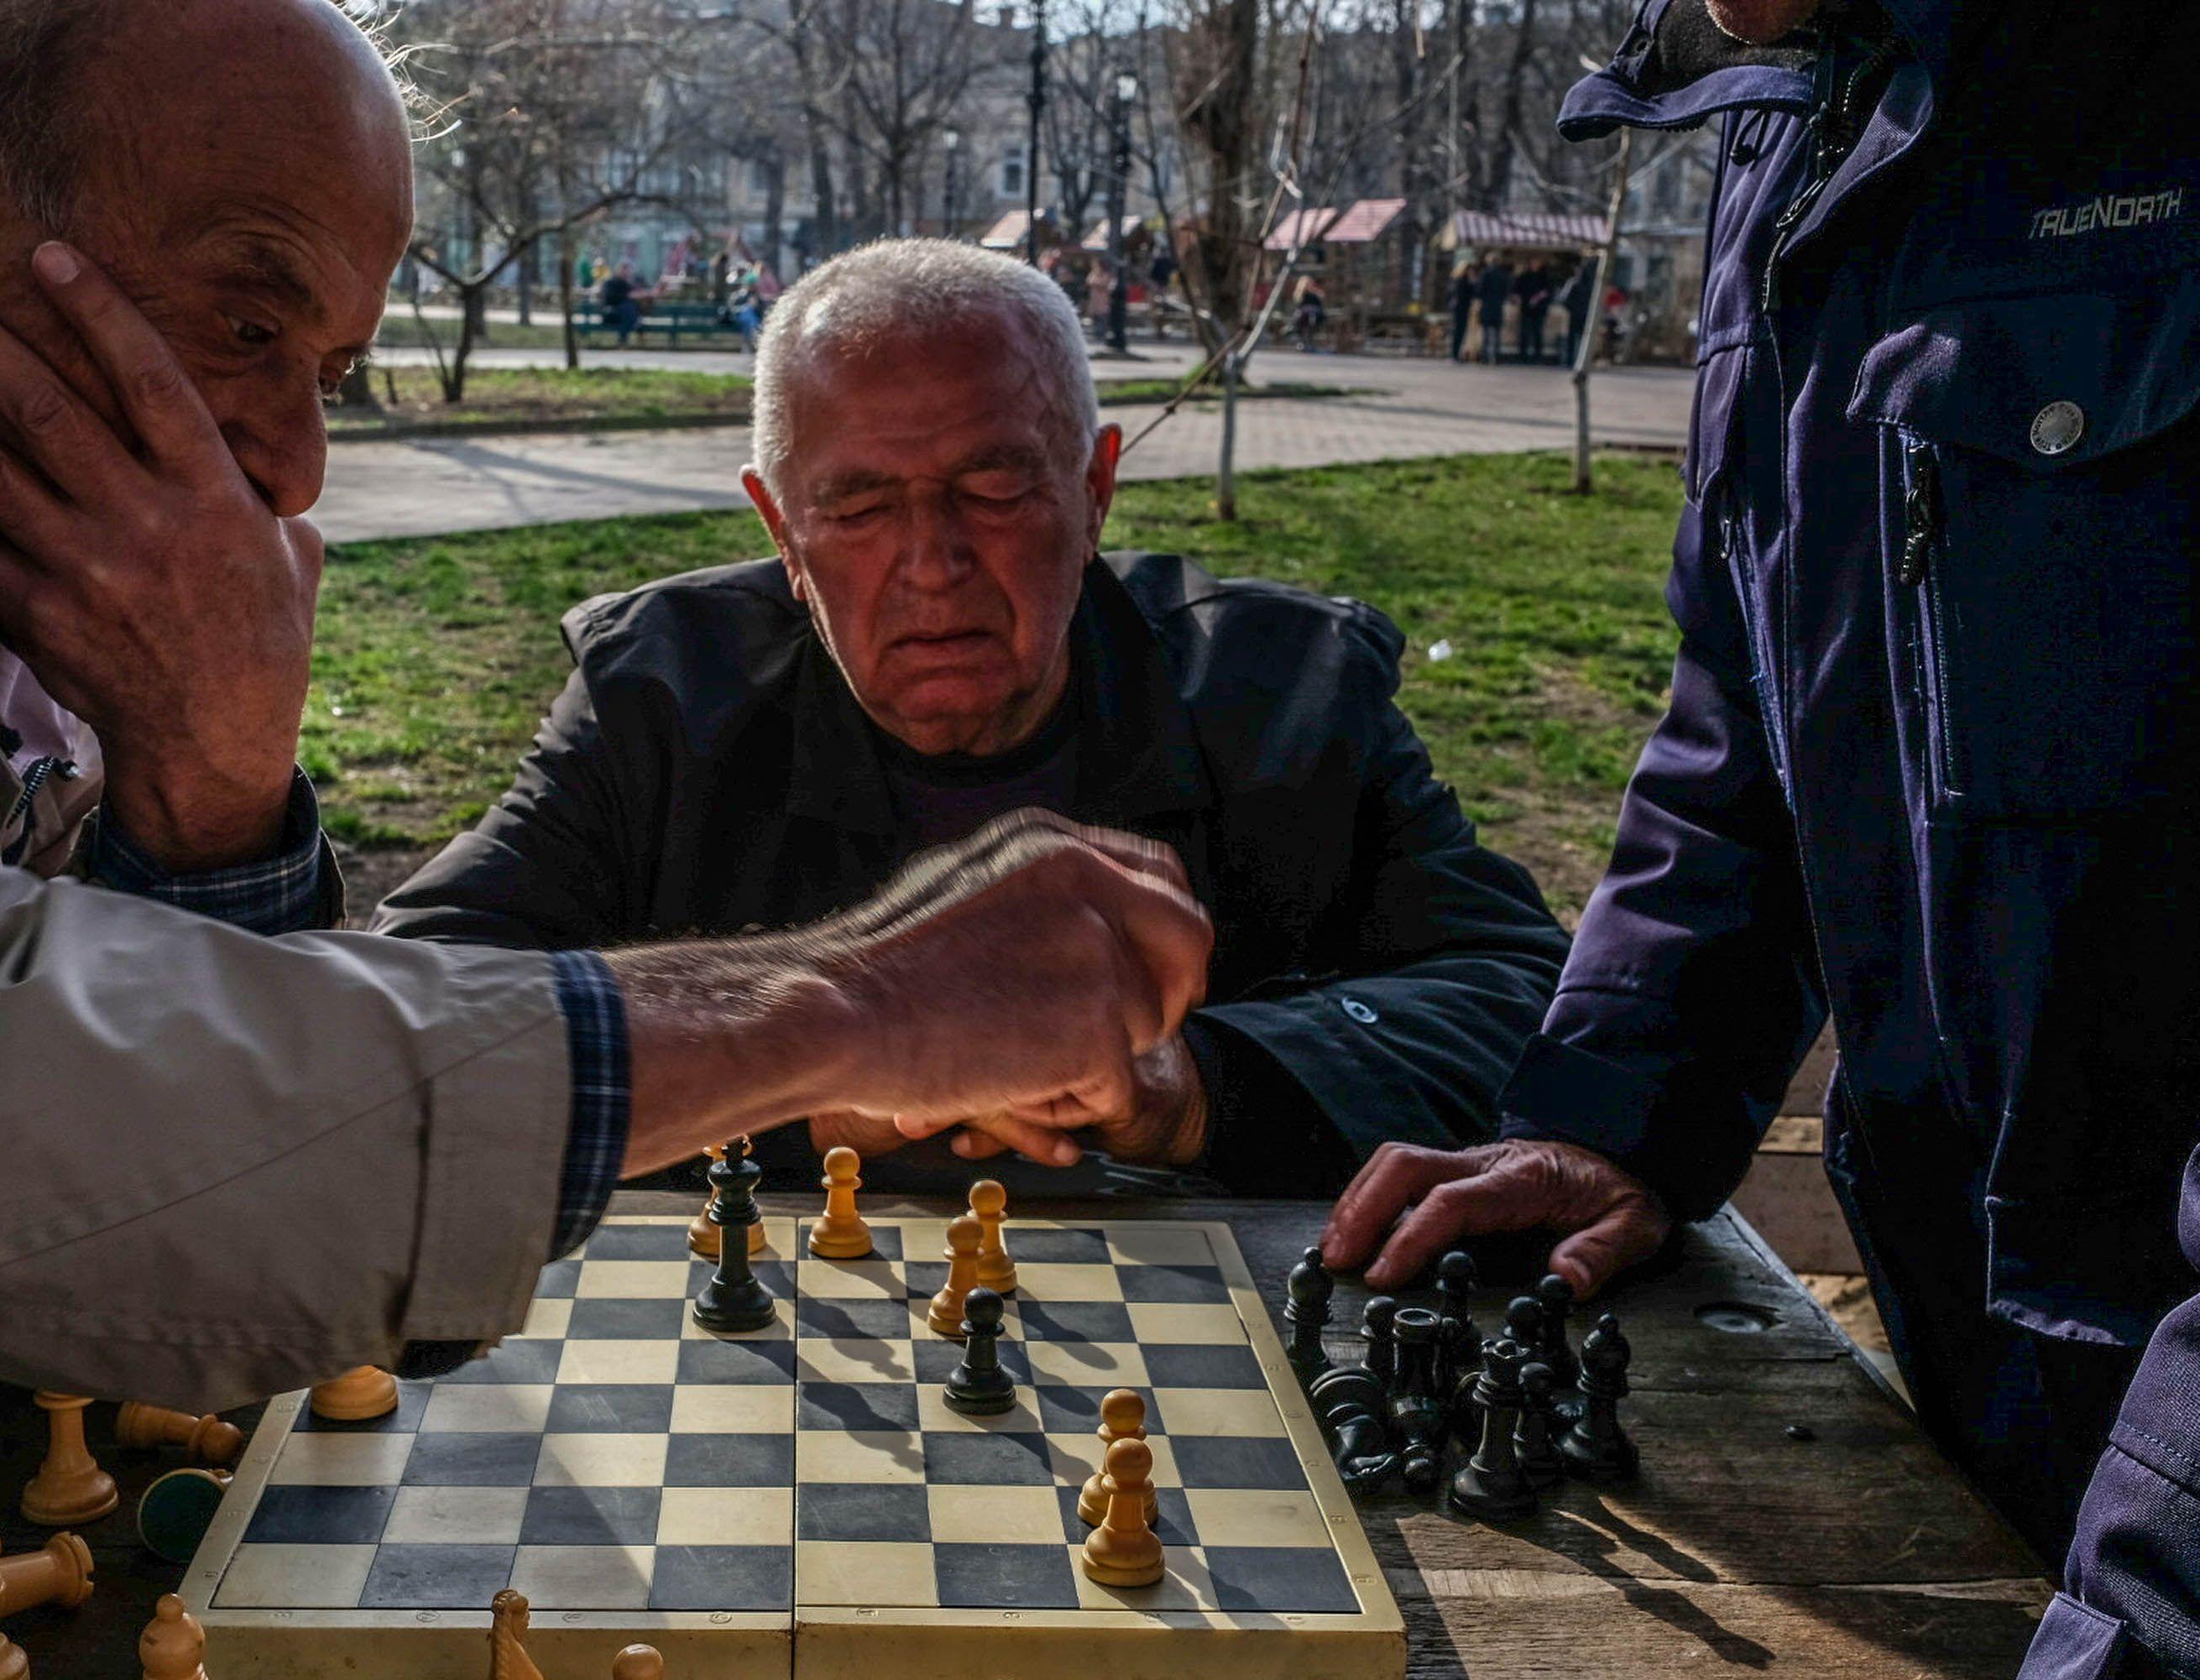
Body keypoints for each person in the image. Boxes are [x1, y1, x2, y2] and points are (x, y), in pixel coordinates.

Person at [0, 0, 1214, 1680]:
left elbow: (150, 1198)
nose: (294, 469)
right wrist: (842, 1010)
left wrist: (211, 794)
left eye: (332, 375)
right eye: (243, 318)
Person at [1319, 2, 2200, 1680]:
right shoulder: (1793, 115)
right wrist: (1619, 1103)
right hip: (2009, 1403)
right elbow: (1759, 698)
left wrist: (2196, 1638)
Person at [374, 238, 1570, 1197]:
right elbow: (408, 1019)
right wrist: (805, 1071)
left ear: (1094, 489)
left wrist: (1185, 1082)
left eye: (993, 489)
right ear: (778, 532)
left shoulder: (1284, 692)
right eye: (855, 507)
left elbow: (1521, 992)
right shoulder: (659, 697)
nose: (931, 563)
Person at [1557, 254, 1596, 368]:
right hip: (1585, 315)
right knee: (1583, 339)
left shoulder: (1575, 283)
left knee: (1574, 339)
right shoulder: (1591, 284)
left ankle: (1571, 361)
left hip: (1576, 314)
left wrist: (1572, 308)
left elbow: (1564, 299)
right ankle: (1580, 361)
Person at [1473, 255, 1513, 363]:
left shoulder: (1486, 273)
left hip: (1487, 306)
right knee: (1497, 334)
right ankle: (1497, 356)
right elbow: (1507, 290)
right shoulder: (1503, 274)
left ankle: (1485, 357)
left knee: (1486, 334)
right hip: (1498, 306)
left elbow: (1479, 290)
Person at [1513, 263, 1554, 363]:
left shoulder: (1544, 277)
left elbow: (1548, 292)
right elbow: (1516, 291)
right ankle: (1523, 356)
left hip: (1539, 310)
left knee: (1538, 333)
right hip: (1526, 309)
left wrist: (1539, 297)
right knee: (1525, 333)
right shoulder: (1524, 277)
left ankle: (1537, 356)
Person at [1447, 258, 1480, 362]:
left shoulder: (1456, 279)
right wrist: (1473, 283)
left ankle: (1455, 354)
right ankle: (1455, 354)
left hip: (1460, 309)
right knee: (1459, 332)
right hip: (1461, 309)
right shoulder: (1463, 280)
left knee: (1459, 332)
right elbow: (1471, 294)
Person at [599, 261, 640, 346]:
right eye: (623, 270)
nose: (626, 273)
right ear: (618, 270)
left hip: (623, 315)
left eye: (627, 271)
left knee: (627, 308)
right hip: (610, 313)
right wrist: (626, 296)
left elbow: (636, 294)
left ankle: (623, 340)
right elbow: (610, 298)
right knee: (626, 308)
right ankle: (624, 339)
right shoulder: (610, 283)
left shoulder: (627, 285)